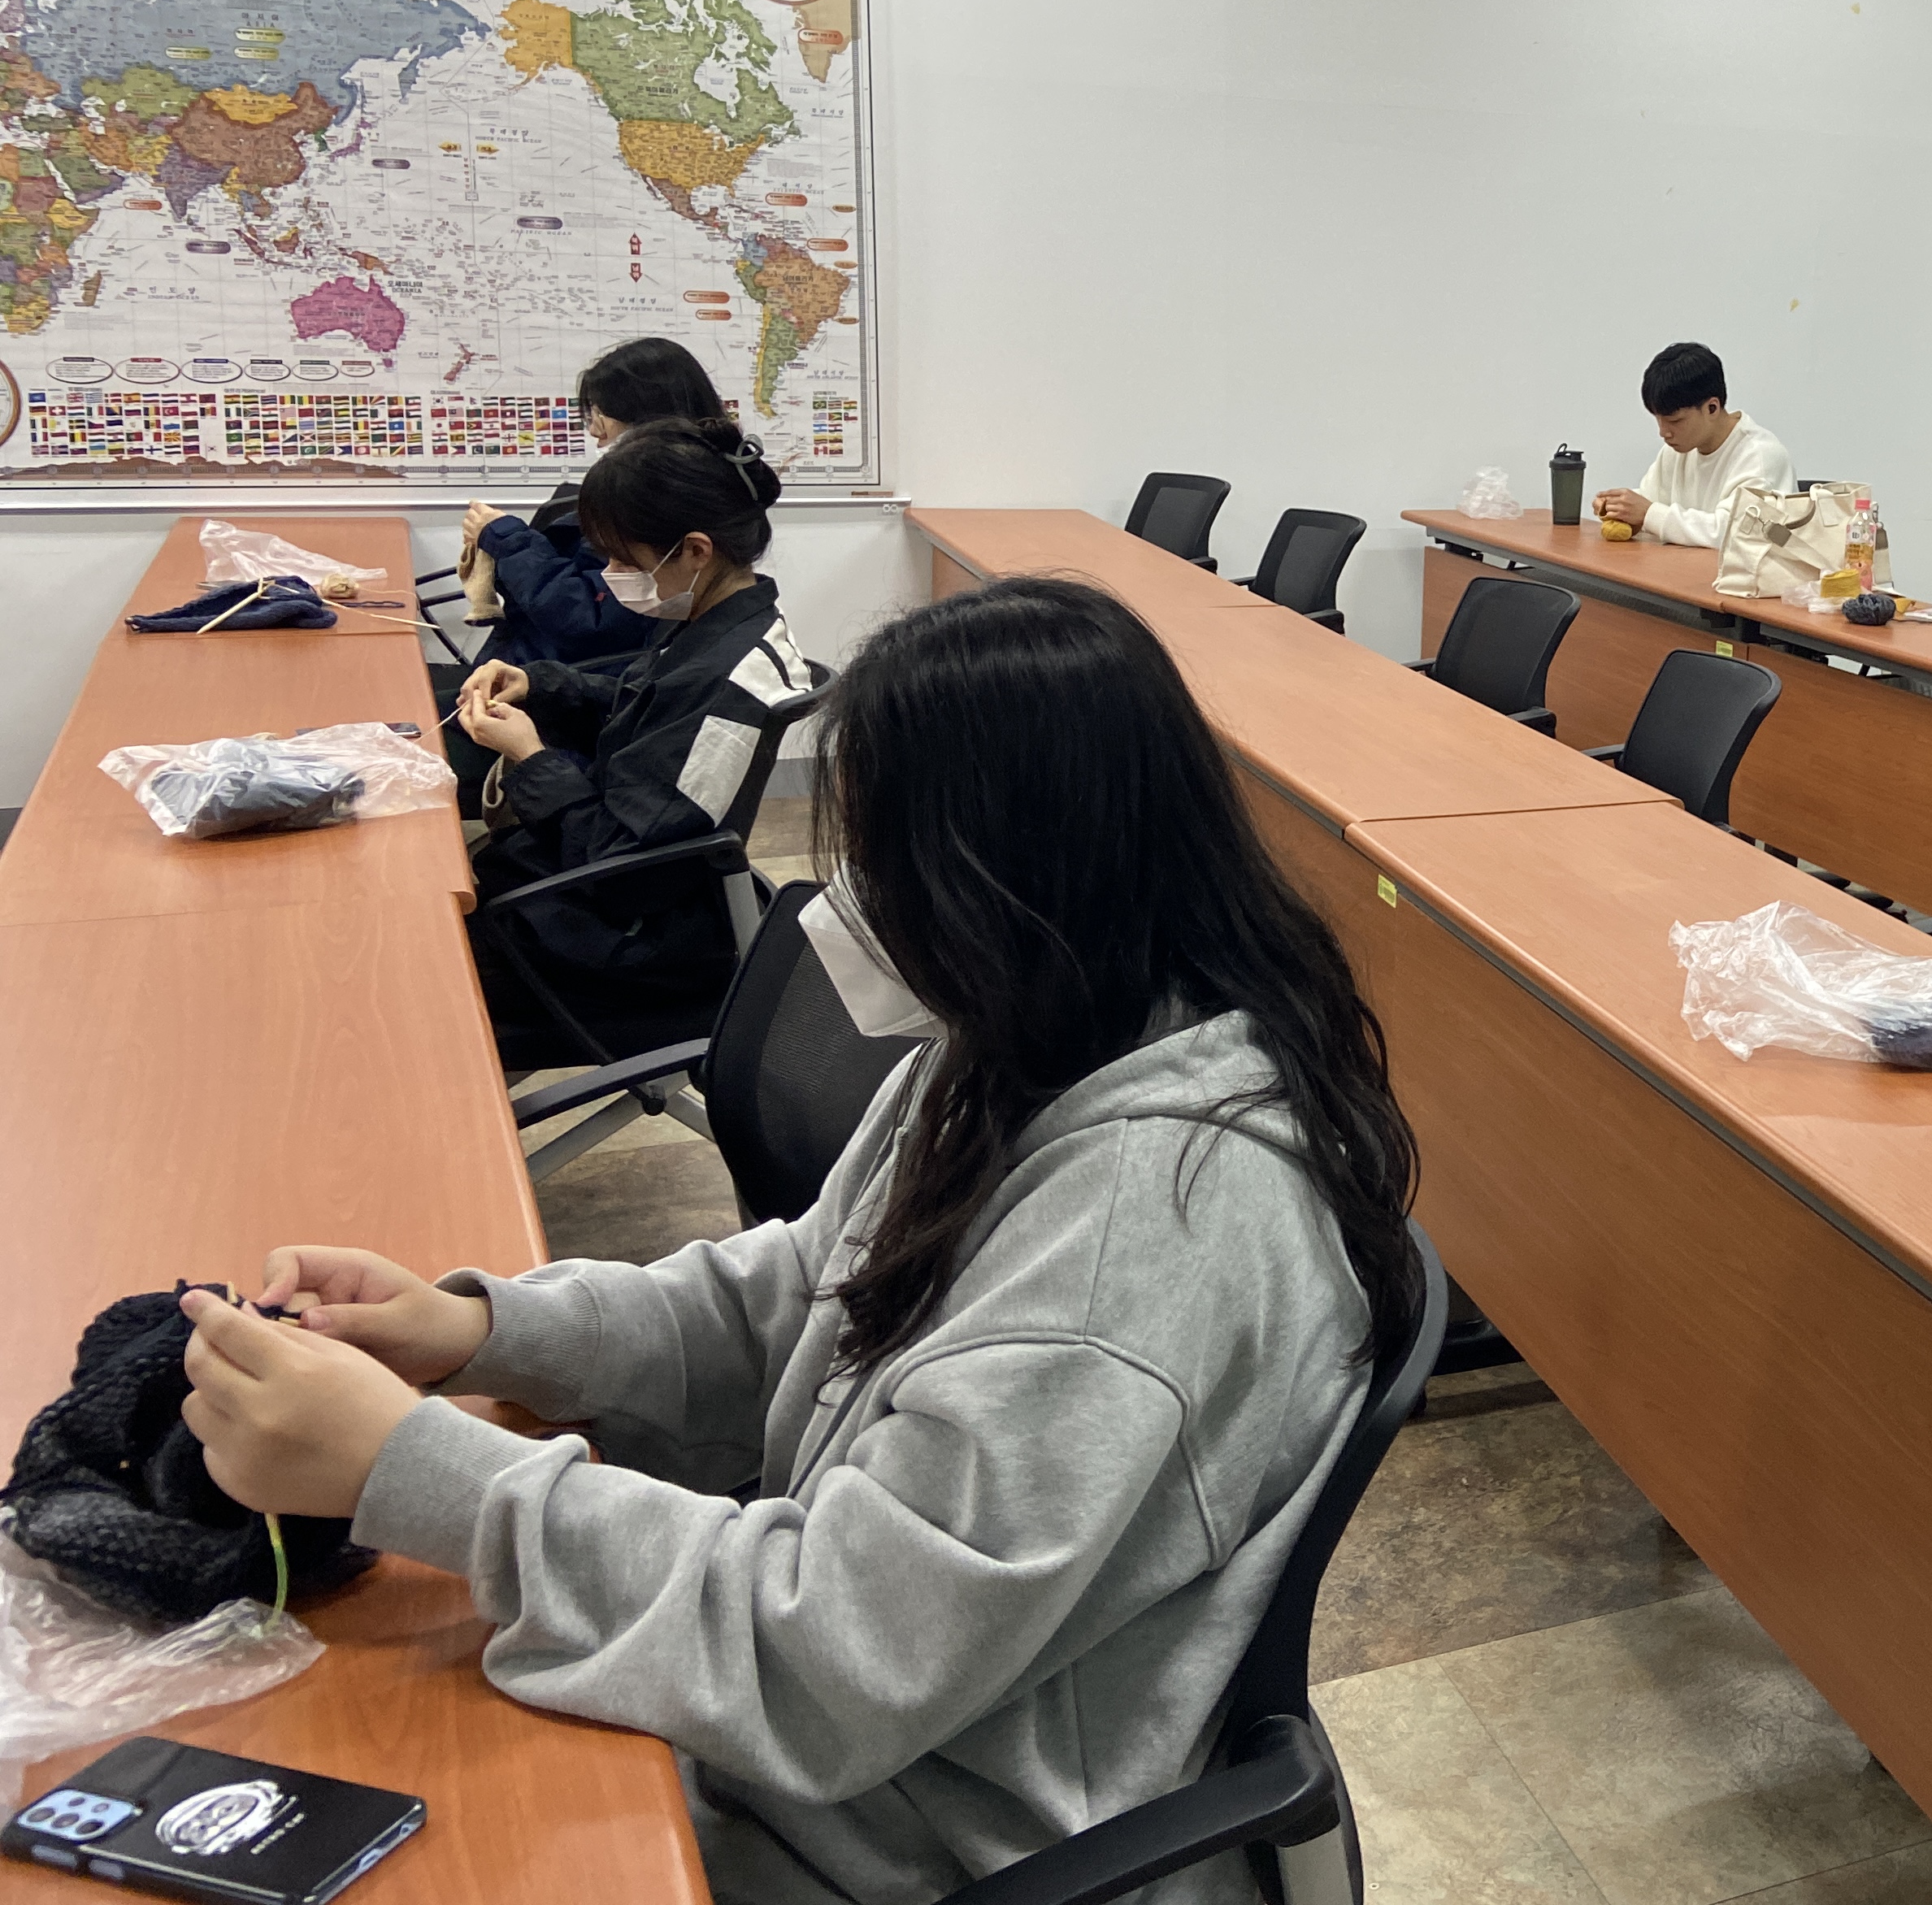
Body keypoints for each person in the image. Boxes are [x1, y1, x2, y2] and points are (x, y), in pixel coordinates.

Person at [174, 576, 1425, 1905]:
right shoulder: (1024, 1035)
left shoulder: (1143, 1244)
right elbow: (802, 1288)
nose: (848, 901)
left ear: (1014, 873)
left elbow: (837, 1659)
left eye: (883, 860)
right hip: (860, 1740)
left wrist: (414, 1470)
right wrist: (484, 1329)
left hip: (914, 1832)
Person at [457, 419, 814, 1065]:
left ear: (696, 551)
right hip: (608, 896)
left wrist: (530, 758)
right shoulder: (717, 621)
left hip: (635, 950)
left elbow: (624, 874)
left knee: (405, 967)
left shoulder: (730, 685)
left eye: (626, 562)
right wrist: (541, 685)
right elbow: (641, 702)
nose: (613, 575)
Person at [434, 339, 731, 793]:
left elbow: (587, 615)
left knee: (401, 725)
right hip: (560, 680)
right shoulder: (668, 489)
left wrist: (507, 539)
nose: (594, 430)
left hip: (574, 697)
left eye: (599, 413)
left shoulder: (653, 497)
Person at [1590, 341, 1793, 547]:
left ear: (1712, 408)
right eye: (1658, 419)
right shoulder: (1676, 451)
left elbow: (1736, 534)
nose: (1663, 432)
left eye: (1675, 421)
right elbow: (1652, 501)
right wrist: (1619, 508)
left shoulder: (1761, 456)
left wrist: (1648, 514)